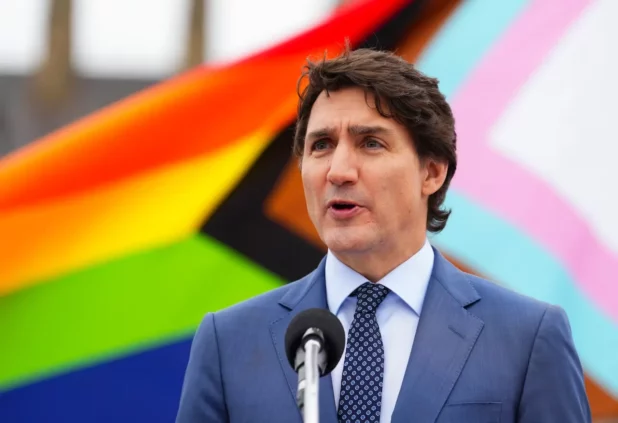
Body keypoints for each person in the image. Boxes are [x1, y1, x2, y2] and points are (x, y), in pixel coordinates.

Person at [175, 47, 591, 423]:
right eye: (321, 145)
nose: (338, 171)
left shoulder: (526, 338)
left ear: (432, 172)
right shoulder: (228, 341)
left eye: (371, 143)